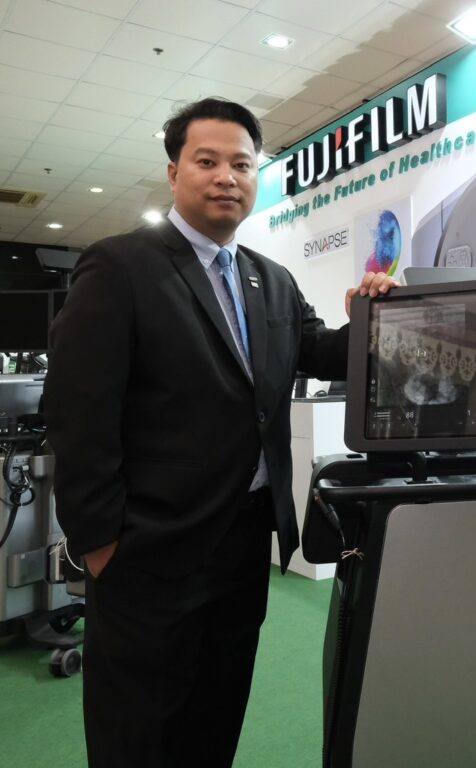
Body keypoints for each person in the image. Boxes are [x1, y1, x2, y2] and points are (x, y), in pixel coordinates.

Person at [44, 98, 395, 767]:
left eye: (242, 164)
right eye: (207, 161)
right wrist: (99, 543)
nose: (226, 177)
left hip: (244, 542)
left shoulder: (271, 279)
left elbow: (322, 352)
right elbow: (78, 410)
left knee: (217, 710)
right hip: (149, 547)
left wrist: (377, 318)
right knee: (139, 730)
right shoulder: (120, 266)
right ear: (174, 171)